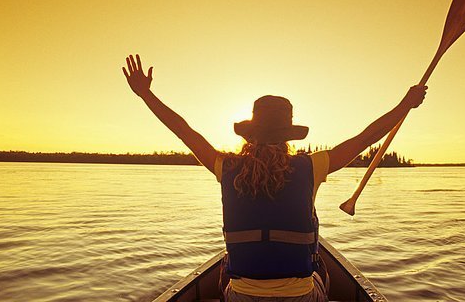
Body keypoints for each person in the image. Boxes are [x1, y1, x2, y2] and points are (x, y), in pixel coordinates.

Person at [122, 54, 427, 301]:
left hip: (242, 295)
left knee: (224, 277)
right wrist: (405, 104)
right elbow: (365, 137)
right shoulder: (310, 166)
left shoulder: (225, 166)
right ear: (288, 136)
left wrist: (146, 94)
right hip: (300, 296)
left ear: (250, 134)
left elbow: (184, 131)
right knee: (324, 276)